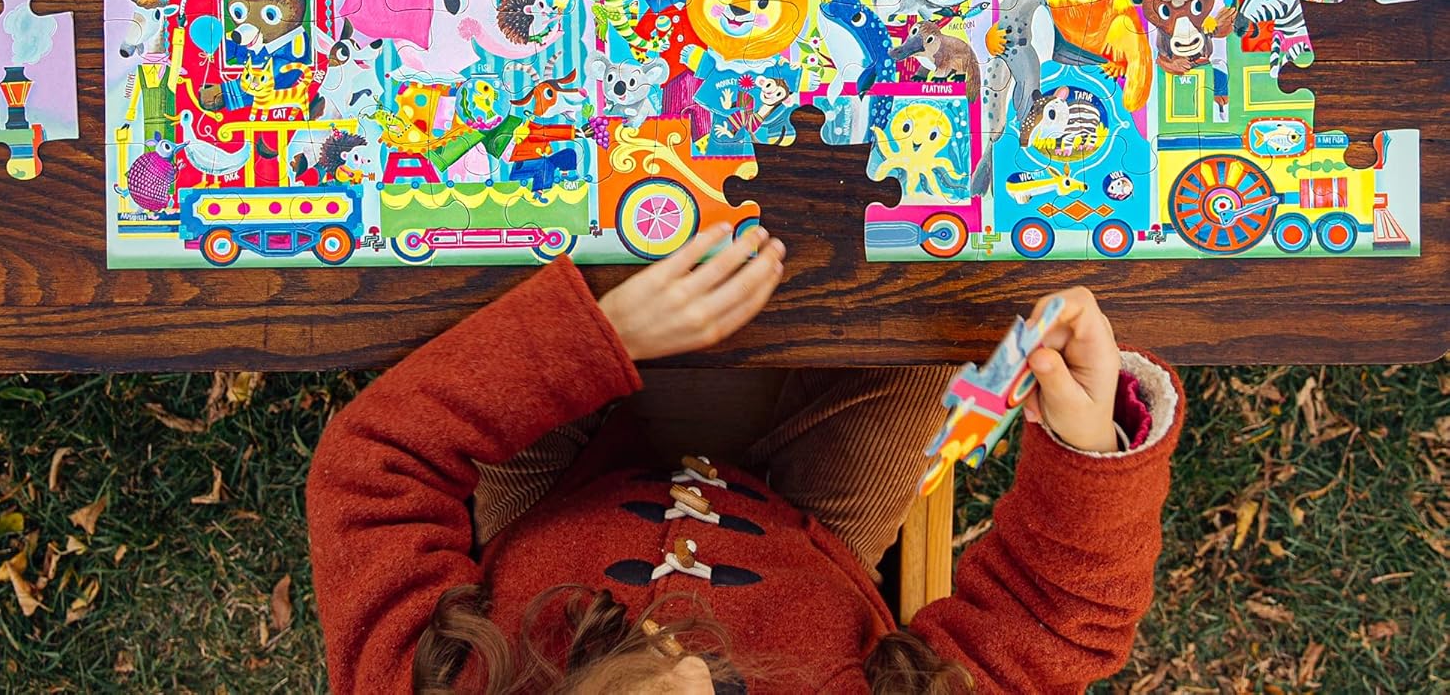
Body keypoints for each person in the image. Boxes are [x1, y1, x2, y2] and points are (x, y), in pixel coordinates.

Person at [308, 225, 1183, 693]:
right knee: (933, 304)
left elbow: (373, 469)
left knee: (523, 245)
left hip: (557, 499)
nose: (695, 662)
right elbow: (1057, 625)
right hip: (813, 535)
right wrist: (1090, 445)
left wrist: (599, 336)